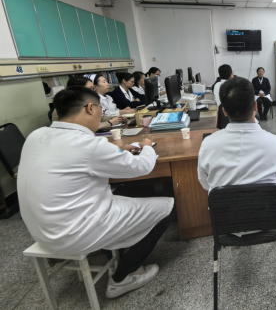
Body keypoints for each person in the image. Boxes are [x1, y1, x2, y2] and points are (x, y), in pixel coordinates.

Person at [18, 87, 174, 298]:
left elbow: (76, 159)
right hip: (75, 234)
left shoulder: (36, 135)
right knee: (168, 208)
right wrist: (147, 146)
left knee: (125, 192)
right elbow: (142, 167)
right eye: (101, 108)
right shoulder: (88, 144)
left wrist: (117, 151)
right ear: (91, 108)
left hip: (41, 232)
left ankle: (114, 253)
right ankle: (123, 276)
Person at [198, 77, 276, 191]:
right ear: (255, 106)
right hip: (265, 202)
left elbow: (205, 183)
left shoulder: (208, 144)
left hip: (224, 203)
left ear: (224, 111)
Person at [51, 76, 125, 129]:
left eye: (93, 88)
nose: (93, 91)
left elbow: (100, 118)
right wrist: (110, 122)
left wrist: (118, 118)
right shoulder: (69, 106)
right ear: (79, 90)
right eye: (91, 88)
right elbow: (85, 127)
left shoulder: (85, 103)